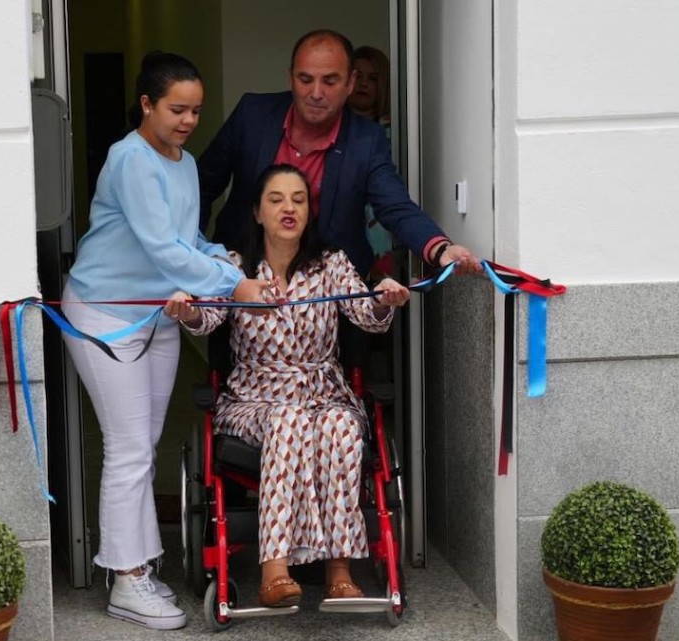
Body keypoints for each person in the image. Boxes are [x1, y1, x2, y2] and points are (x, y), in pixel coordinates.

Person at [61, 51, 273, 631]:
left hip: (159, 313)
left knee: (145, 445)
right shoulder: (129, 159)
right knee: (128, 447)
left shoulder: (181, 162)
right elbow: (161, 249)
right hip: (106, 314)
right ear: (147, 103)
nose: (187, 120)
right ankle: (126, 581)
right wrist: (236, 285)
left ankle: (140, 567)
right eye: (177, 109)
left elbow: (188, 241)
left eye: (196, 111)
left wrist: (226, 260)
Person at [165, 164, 411, 607]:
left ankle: (339, 568)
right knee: (289, 418)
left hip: (324, 390)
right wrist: (187, 311)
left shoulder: (330, 264)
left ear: (309, 210)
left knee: (339, 425)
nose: (288, 208)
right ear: (257, 211)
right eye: (276, 199)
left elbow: (363, 312)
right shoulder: (233, 266)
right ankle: (274, 568)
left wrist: (383, 297)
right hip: (254, 397)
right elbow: (210, 317)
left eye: (298, 199)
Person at [198, 29, 479, 278]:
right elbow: (201, 186)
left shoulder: (366, 139)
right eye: (305, 79)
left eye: (330, 81)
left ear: (350, 83)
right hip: (241, 281)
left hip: (333, 293)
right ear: (291, 78)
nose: (316, 93)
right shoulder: (252, 115)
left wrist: (441, 248)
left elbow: (395, 206)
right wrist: (192, 257)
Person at [348, 45, 395, 277]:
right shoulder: (334, 129)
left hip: (383, 237)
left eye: (373, 78)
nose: (364, 84)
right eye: (359, 77)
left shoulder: (396, 133)